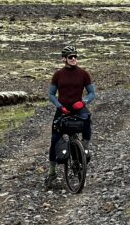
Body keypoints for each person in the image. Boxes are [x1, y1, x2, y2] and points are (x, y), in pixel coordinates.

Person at [44, 44, 97, 187]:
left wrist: (84, 102)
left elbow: (92, 93)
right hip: (63, 109)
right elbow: (51, 95)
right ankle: (52, 172)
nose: (73, 59)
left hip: (78, 107)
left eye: (75, 56)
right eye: (70, 57)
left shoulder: (84, 74)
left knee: (87, 119)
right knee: (55, 138)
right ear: (64, 59)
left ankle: (84, 146)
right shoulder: (58, 75)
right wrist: (59, 106)